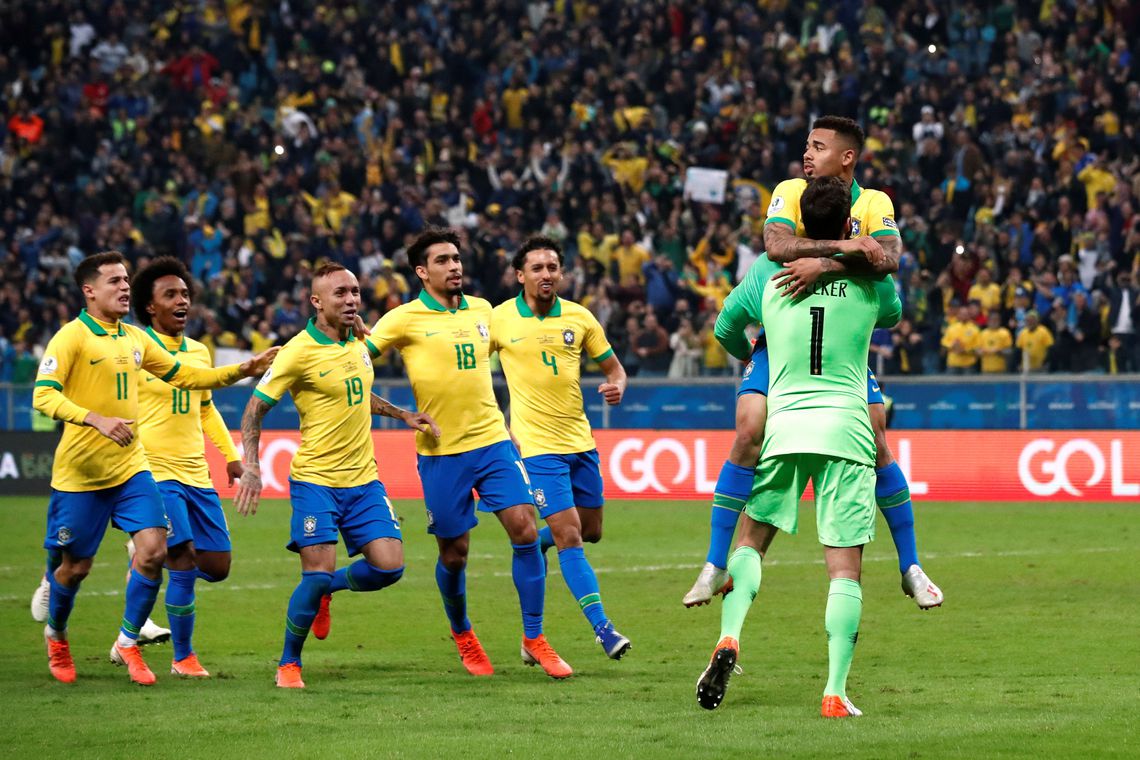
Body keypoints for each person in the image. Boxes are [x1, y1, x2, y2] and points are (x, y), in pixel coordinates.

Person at [684, 116, 942, 611]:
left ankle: (910, 565)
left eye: (818, 147)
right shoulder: (789, 190)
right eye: (807, 145)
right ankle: (715, 563)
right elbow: (777, 247)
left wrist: (822, 264)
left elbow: (889, 258)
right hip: (781, 342)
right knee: (749, 427)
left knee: (877, 433)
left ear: (847, 157)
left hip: (838, 344)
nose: (807, 154)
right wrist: (846, 248)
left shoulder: (874, 202)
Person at [696, 177, 902, 717]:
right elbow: (893, 309)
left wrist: (752, 356)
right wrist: (851, 258)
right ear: (849, 223)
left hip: (784, 429)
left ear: (800, 224)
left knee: (750, 542)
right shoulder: (872, 287)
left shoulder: (767, 281)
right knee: (844, 570)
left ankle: (730, 635)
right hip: (846, 433)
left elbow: (728, 325)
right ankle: (833, 692)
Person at [31, 251, 277, 685]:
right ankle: (57, 634)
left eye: (126, 280)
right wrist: (95, 419)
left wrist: (244, 368)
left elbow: (186, 377)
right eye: (114, 281)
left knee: (154, 552)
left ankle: (128, 642)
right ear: (90, 291)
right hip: (82, 474)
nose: (124, 287)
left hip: (133, 469)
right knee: (77, 568)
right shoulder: (70, 338)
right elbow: (43, 396)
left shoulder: (134, 339)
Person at [368, 227, 572, 679]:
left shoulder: (483, 310)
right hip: (441, 452)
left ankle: (535, 637)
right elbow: (349, 369)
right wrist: (400, 413)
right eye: (442, 260)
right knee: (455, 553)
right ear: (422, 272)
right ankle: (462, 632)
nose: (454, 266)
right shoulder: (402, 319)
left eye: (456, 258)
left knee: (525, 529)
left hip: (493, 442)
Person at [235, 263, 436, 689]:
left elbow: (357, 391)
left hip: (364, 481)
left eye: (355, 292)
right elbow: (254, 409)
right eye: (340, 293)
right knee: (315, 574)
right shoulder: (297, 352)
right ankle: (289, 663)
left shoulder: (358, 342)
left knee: (390, 568)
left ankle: (331, 590)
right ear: (316, 301)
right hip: (316, 481)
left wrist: (401, 414)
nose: (351, 299)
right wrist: (251, 464)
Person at [491, 235, 631, 660]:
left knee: (591, 530)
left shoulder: (579, 317)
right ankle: (604, 630)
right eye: (537, 268)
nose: (546, 274)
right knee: (571, 537)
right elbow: (471, 371)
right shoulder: (499, 319)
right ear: (520, 275)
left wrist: (617, 386)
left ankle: (534, 544)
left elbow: (615, 369)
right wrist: (497, 422)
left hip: (580, 441)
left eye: (552, 267)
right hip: (535, 447)